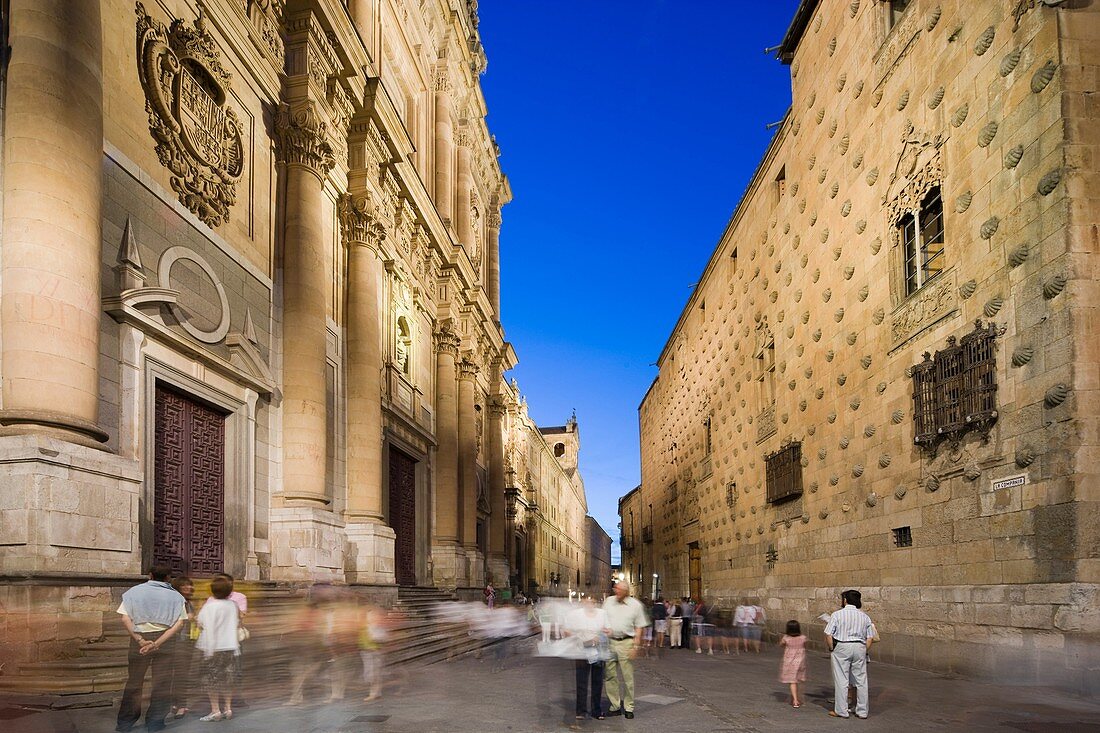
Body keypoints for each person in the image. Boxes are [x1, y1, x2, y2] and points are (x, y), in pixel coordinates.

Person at [116, 565, 187, 733]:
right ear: (168, 577)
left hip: (139, 638)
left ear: (150, 575)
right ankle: (155, 722)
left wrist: (140, 640)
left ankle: (125, 722)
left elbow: (125, 619)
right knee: (162, 682)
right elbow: (179, 624)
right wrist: (157, 643)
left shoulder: (133, 592)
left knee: (134, 681)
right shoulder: (176, 597)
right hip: (165, 641)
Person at [195, 576, 241, 721]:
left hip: (213, 648)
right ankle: (228, 708)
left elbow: (202, 624)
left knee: (212, 679)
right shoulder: (233, 605)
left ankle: (215, 710)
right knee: (228, 678)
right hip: (231, 647)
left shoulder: (210, 606)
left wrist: (208, 651)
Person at [824, 589, 876, 720]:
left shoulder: (837, 615)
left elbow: (828, 634)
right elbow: (870, 638)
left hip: (842, 645)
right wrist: (864, 650)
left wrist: (832, 648)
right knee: (861, 680)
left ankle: (841, 710)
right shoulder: (865, 617)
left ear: (845, 600)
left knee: (842, 679)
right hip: (859, 647)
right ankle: (862, 711)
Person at [602, 581, 649, 719]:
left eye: (620, 590)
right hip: (610, 642)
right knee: (610, 676)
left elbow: (639, 626)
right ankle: (615, 705)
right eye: (616, 589)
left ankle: (629, 706)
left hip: (626, 642)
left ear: (626, 592)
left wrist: (636, 646)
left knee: (627, 677)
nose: (617, 592)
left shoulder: (635, 605)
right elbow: (602, 619)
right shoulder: (608, 602)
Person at [564, 597, 608, 720]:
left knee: (597, 681)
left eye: (592, 601)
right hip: (581, 650)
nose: (589, 604)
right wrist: (578, 636)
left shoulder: (602, 614)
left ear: (595, 603)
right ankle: (581, 710)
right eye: (587, 601)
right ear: (583, 603)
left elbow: (608, 629)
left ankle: (596, 710)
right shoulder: (575, 615)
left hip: (597, 650)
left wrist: (603, 635)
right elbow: (566, 630)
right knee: (581, 681)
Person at [168, 576, 198, 720]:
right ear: (178, 588)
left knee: (179, 674)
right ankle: (181, 705)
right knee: (181, 675)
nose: (189, 588)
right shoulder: (179, 602)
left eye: (190, 585)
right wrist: (190, 617)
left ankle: (176, 703)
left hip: (186, 641)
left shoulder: (188, 602)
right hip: (180, 642)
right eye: (185, 586)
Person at [779, 620, 807, 708]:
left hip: (790, 662)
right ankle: (798, 697)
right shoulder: (803, 638)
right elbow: (805, 645)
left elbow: (781, 644)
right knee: (799, 680)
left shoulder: (786, 638)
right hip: (800, 661)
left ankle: (795, 700)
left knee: (793, 681)